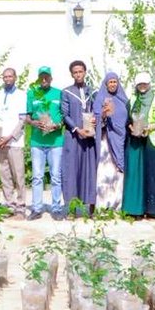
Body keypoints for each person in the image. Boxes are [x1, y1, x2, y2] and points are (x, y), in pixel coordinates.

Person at [26, 66, 64, 220]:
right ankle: (36, 208)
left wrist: (57, 125)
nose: (44, 79)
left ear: (51, 78)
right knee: (37, 176)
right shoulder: (32, 94)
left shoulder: (58, 93)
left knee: (55, 176)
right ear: (38, 78)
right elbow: (27, 117)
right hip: (37, 141)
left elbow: (64, 116)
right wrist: (34, 123)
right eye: (41, 77)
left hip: (56, 141)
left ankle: (56, 208)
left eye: (46, 77)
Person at [61, 60, 98, 215]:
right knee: (72, 170)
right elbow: (65, 114)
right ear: (72, 74)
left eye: (80, 71)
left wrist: (96, 119)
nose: (78, 74)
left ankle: (90, 207)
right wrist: (77, 129)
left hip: (89, 139)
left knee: (89, 170)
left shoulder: (92, 91)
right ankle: (71, 208)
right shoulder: (67, 92)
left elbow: (97, 110)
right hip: (74, 137)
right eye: (75, 72)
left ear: (85, 72)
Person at [121, 73, 155, 217]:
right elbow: (127, 120)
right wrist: (130, 127)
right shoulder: (132, 100)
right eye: (140, 84)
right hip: (135, 142)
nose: (142, 86)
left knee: (148, 175)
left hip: (151, 141)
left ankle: (147, 209)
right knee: (134, 174)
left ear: (149, 84)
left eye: (145, 83)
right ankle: (132, 209)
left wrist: (151, 128)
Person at [0, 67, 28, 218]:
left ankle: (20, 207)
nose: (7, 79)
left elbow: (23, 120)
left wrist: (9, 137)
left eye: (10, 76)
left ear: (15, 77)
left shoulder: (22, 95)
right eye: (5, 77)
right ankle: (9, 205)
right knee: (4, 175)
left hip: (15, 141)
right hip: (0, 142)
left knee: (18, 175)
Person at [93, 72, 129, 212]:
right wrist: (103, 114)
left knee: (118, 174)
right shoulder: (100, 98)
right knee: (105, 174)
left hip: (120, 141)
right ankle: (103, 206)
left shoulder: (123, 99)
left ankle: (117, 206)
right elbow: (95, 120)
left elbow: (129, 118)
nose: (113, 84)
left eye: (115, 82)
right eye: (110, 82)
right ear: (106, 84)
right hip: (106, 142)